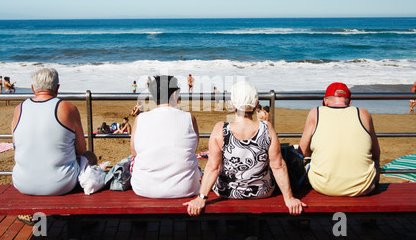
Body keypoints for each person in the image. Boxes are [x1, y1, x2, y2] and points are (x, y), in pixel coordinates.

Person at [184, 81, 306, 216]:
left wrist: (201, 198)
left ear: (232, 104)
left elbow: (213, 167)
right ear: (256, 104)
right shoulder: (266, 128)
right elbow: (277, 166)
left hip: (227, 191)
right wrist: (289, 198)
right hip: (261, 192)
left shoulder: (221, 129)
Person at [12, 68, 98, 198]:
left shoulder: (19, 109)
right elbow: (81, 149)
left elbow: (16, 146)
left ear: (32, 88)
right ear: (57, 88)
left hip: (22, 183)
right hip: (61, 184)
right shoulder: (68, 108)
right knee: (90, 156)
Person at [298, 82, 380, 197]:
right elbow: (376, 153)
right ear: (350, 102)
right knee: (374, 163)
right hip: (363, 187)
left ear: (325, 101)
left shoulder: (315, 113)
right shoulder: (363, 113)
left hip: (323, 186)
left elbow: (302, 151)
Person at [130, 75, 201, 198]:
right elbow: (193, 149)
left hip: (143, 188)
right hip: (186, 188)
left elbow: (134, 153)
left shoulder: (140, 119)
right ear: (174, 95)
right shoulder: (189, 118)